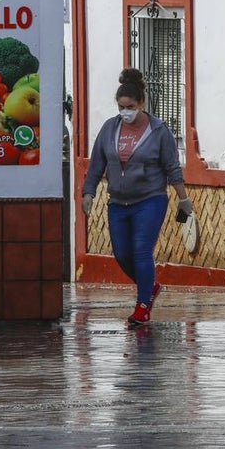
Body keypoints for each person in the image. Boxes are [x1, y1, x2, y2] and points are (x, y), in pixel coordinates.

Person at [82, 68, 192, 327]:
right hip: (118, 202)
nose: (125, 112)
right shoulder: (110, 128)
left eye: (130, 107)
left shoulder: (159, 131)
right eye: (121, 107)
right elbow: (97, 163)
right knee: (122, 254)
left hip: (150, 200)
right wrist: (89, 191)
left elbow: (172, 168)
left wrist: (183, 199)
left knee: (141, 251)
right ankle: (149, 286)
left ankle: (142, 306)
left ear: (141, 103)